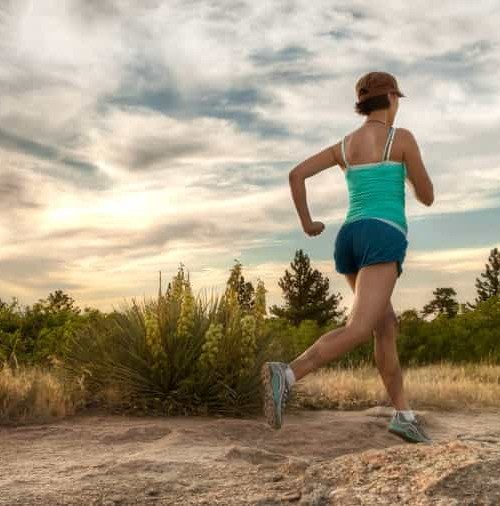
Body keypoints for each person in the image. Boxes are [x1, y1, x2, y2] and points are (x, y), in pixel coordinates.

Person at [261, 71, 435, 444]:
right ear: (390, 98)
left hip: (350, 237)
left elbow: (297, 175)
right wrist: (404, 174)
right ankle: (287, 375)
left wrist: (307, 223)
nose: (398, 104)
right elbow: (427, 195)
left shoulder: (344, 146)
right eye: (397, 99)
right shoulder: (399, 139)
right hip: (382, 234)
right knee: (359, 327)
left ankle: (403, 415)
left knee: (384, 325)